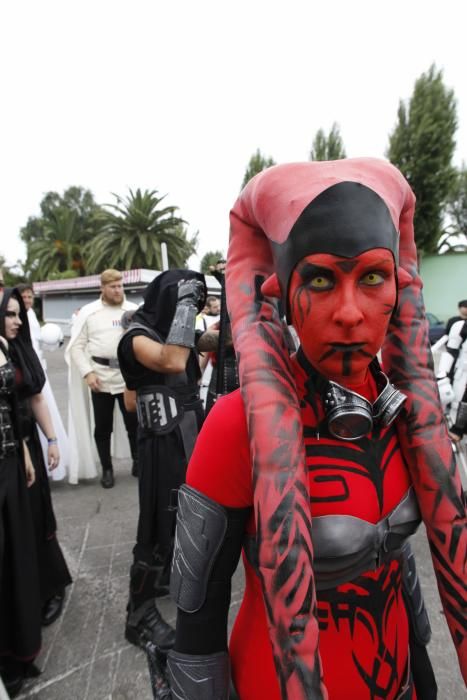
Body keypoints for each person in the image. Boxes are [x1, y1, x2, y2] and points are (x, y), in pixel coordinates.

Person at [167, 160, 466, 699]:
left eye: (372, 277)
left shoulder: (402, 413)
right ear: (282, 290)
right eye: (322, 280)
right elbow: (196, 608)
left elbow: (398, 566)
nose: (350, 313)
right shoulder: (237, 424)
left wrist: (421, 667)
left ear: (399, 288)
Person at [117, 270, 208, 652]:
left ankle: (174, 582)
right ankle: (139, 615)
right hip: (161, 447)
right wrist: (187, 303)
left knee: (184, 519)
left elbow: (213, 341)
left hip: (188, 441)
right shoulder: (136, 338)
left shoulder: (174, 332)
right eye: (185, 300)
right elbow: (172, 361)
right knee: (155, 528)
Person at [1, 288, 72, 626]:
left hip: (26, 444)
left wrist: (53, 439)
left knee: (37, 515)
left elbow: (36, 398)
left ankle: (50, 586)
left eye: (18, 314)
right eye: (9, 314)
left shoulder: (19, 349)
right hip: (9, 448)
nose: (16, 320)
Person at [0, 296, 41, 698]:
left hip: (11, 459)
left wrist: (26, 451)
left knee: (15, 557)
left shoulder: (3, 346)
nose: (14, 319)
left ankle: (17, 653)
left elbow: (12, 406)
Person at [66, 269, 138, 487]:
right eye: (113, 287)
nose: (118, 290)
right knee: (103, 428)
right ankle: (107, 468)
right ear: (103, 288)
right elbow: (76, 347)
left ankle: (138, 461)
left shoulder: (134, 310)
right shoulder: (89, 312)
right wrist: (88, 373)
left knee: (134, 425)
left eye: (120, 286)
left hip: (127, 379)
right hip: (101, 379)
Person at [17, 282, 69, 481]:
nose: (28, 300)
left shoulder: (31, 316)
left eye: (30, 296)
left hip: (40, 373)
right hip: (26, 374)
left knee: (46, 415)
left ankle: (50, 461)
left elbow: (40, 344)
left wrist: (55, 342)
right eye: (24, 297)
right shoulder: (16, 317)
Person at [437, 314, 467, 442]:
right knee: (455, 406)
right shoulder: (461, 326)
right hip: (461, 376)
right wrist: (443, 374)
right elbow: (451, 351)